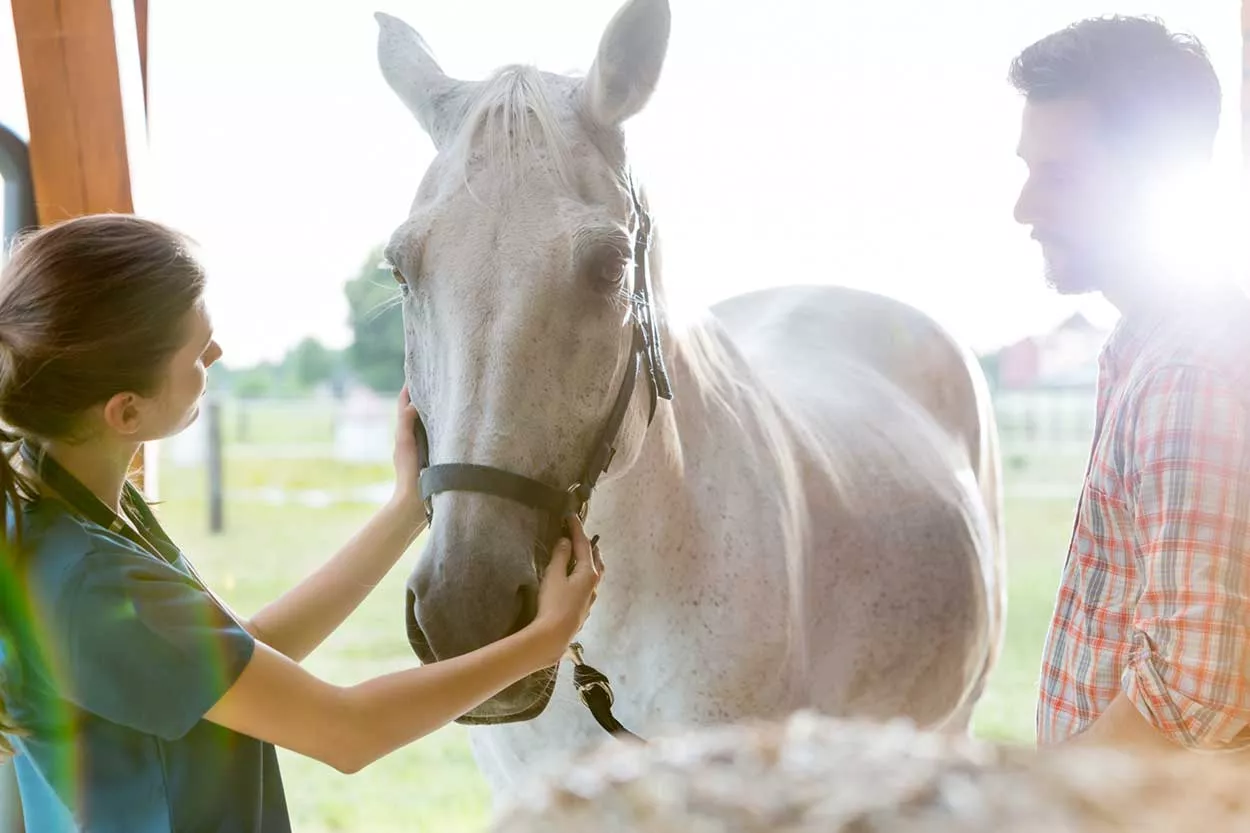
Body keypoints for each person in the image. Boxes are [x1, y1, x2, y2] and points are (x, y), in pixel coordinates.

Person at [0, 213, 603, 832]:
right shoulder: (93, 583)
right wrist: (544, 640)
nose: (217, 353)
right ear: (126, 412)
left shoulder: (69, 510)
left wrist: (406, 507)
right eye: (197, 351)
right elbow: (347, 731)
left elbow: (249, 648)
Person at [1010, 16, 1250, 752]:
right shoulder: (1142, 343)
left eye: (1060, 175)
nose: (1024, 208)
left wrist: (1043, 800)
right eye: (1029, 170)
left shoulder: (1188, 372)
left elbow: (1188, 701)